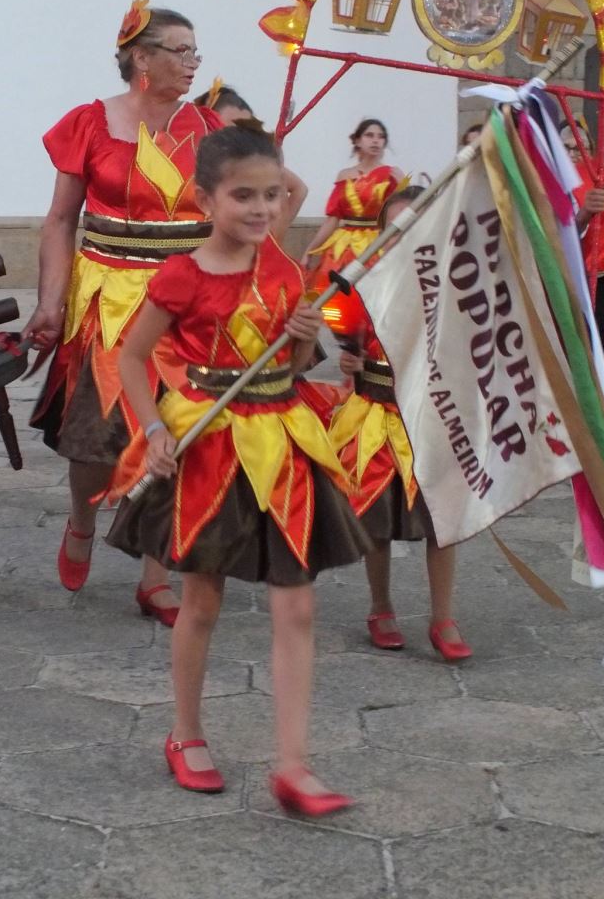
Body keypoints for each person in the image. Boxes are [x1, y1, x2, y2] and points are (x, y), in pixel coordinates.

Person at [103, 124, 370, 816]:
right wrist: (155, 428)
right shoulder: (180, 275)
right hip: (212, 450)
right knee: (202, 601)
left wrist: (306, 344)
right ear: (205, 198)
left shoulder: (283, 268)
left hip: (282, 447)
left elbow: (289, 368)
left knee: (298, 602)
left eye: (272, 195)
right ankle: (186, 733)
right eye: (243, 196)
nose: (260, 209)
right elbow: (132, 358)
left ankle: (294, 764)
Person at [25, 0, 221, 624]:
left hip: (185, 306)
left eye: (196, 52)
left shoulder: (212, 133)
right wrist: (49, 303)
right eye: (180, 50)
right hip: (107, 302)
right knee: (96, 441)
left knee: (176, 431)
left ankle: (155, 573)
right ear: (141, 56)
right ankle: (82, 519)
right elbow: (60, 221)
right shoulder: (90, 122)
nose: (192, 63)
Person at [324, 187, 471, 661]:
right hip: (376, 412)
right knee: (378, 519)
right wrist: (348, 355)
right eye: (395, 225)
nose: (403, 233)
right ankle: (380, 605)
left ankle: (443, 616)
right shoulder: (360, 279)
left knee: (443, 520)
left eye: (414, 223)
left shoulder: (453, 280)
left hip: (432, 416)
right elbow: (339, 322)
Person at [194, 78, 308, 235]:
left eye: (244, 129)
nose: (238, 136)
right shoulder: (189, 159)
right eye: (229, 129)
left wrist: (276, 233)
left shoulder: (255, 167)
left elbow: (299, 189)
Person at [302, 118, 405, 292]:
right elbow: (332, 220)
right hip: (344, 244)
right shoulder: (345, 175)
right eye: (369, 135)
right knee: (335, 295)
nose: (375, 140)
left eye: (380, 137)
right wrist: (310, 251)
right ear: (358, 141)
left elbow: (401, 216)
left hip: (378, 242)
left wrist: (402, 187)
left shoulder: (392, 175)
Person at [572, 95, 604, 381]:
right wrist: (584, 214)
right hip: (602, 286)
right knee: (601, 375)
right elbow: (562, 235)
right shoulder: (585, 175)